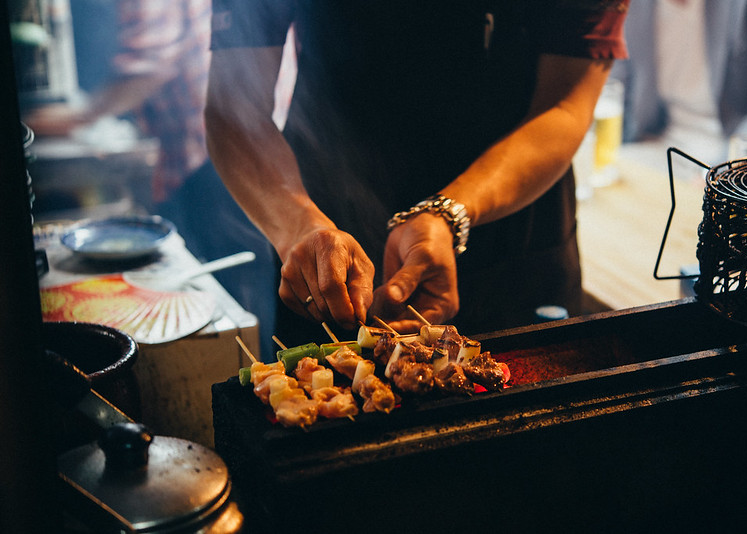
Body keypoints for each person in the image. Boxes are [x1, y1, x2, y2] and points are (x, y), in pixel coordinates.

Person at [205, 1, 631, 349]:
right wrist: (298, 225)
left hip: (513, 238)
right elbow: (233, 109)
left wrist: (448, 214)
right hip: (326, 239)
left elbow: (564, 106)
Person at [23, 0, 278, 353]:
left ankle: (258, 380)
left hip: (216, 159)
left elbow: (150, 65)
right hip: (204, 155)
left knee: (237, 298)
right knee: (222, 287)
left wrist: (77, 117)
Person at [612, 0, 747, 165]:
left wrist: (720, 174)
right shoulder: (626, 5)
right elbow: (616, 88)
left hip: (728, 154)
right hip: (653, 146)